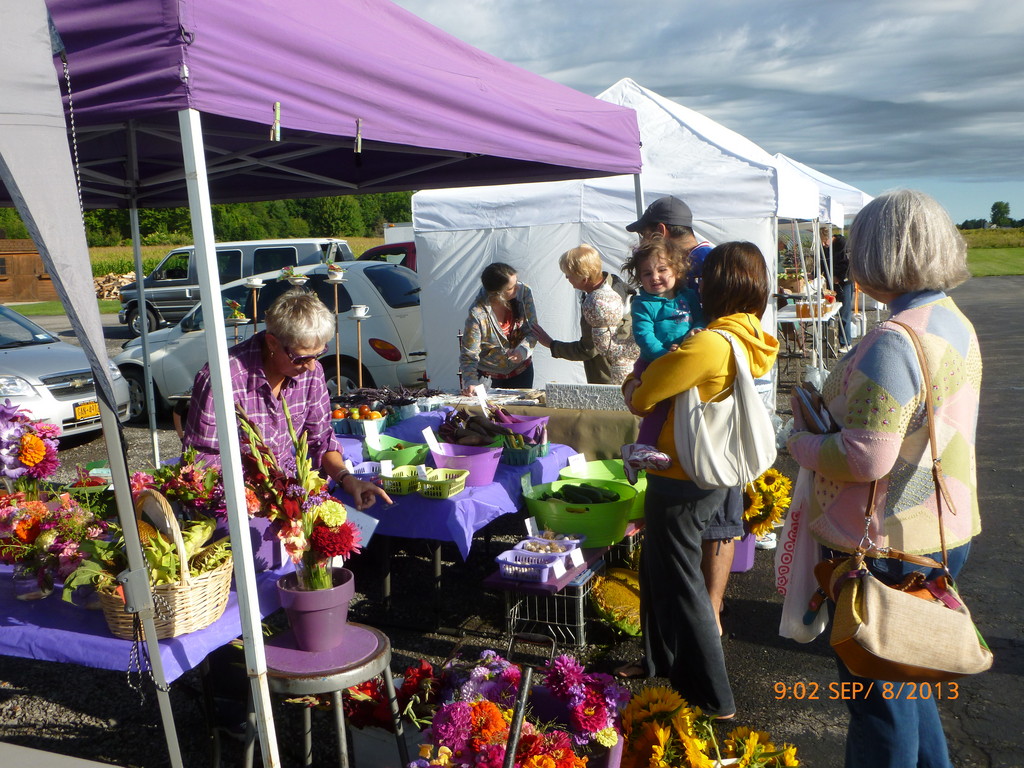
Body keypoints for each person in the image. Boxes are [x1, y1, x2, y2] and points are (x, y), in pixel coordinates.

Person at [788, 190, 980, 768]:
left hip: (885, 540)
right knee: (910, 679)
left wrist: (796, 441)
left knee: (879, 703)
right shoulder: (952, 321)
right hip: (942, 527)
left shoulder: (894, 340)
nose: (847, 260)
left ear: (879, 254)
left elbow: (867, 456)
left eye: (854, 248)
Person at [621, 241, 779, 718]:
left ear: (721, 284)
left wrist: (632, 381)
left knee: (683, 583)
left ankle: (713, 696)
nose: (696, 283)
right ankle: (661, 664)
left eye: (704, 277)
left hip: (681, 476)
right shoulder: (748, 332)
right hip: (698, 473)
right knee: (659, 571)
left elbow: (643, 397)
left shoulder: (708, 342)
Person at [626, 195, 739, 625]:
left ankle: (707, 612)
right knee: (708, 518)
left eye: (645, 231)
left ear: (663, 231)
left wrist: (646, 382)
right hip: (683, 378)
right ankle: (703, 611)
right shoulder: (674, 282)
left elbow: (710, 333)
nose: (654, 275)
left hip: (707, 400)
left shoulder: (707, 266)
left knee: (712, 519)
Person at [183, 288, 390, 511]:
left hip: (285, 500)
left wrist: (347, 479)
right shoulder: (222, 379)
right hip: (234, 506)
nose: (311, 366)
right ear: (272, 343)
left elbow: (321, 439)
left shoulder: (312, 372)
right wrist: (254, 497)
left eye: (318, 355)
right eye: (301, 358)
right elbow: (202, 461)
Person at [618, 236, 705, 483]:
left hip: (682, 358)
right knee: (658, 405)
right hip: (654, 361)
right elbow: (644, 336)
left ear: (677, 270)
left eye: (662, 269)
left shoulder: (688, 296)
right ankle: (643, 445)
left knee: (679, 407)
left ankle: (643, 449)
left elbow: (700, 320)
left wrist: (695, 333)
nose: (654, 277)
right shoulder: (643, 303)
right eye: (646, 273)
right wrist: (664, 357)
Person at [532, 244, 639, 384]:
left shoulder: (601, 303)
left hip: (611, 378)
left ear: (584, 279)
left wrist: (552, 345)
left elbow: (589, 349)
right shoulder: (613, 288)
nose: (566, 278)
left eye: (569, 275)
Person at [459, 263, 541, 394]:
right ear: (498, 294)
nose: (518, 288)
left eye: (517, 282)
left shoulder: (524, 293)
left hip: (522, 371)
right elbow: (469, 354)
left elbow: (533, 329)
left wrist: (523, 350)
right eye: (512, 288)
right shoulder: (478, 313)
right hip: (489, 377)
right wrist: (471, 381)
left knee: (520, 413)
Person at [820, 225, 854, 351]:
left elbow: (849, 265)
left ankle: (846, 342)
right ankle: (827, 341)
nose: (824, 244)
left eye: (825, 241)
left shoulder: (843, 244)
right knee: (828, 311)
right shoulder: (823, 248)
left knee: (844, 312)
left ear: (830, 236)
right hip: (830, 284)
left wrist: (839, 277)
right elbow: (822, 263)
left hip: (845, 282)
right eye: (822, 242)